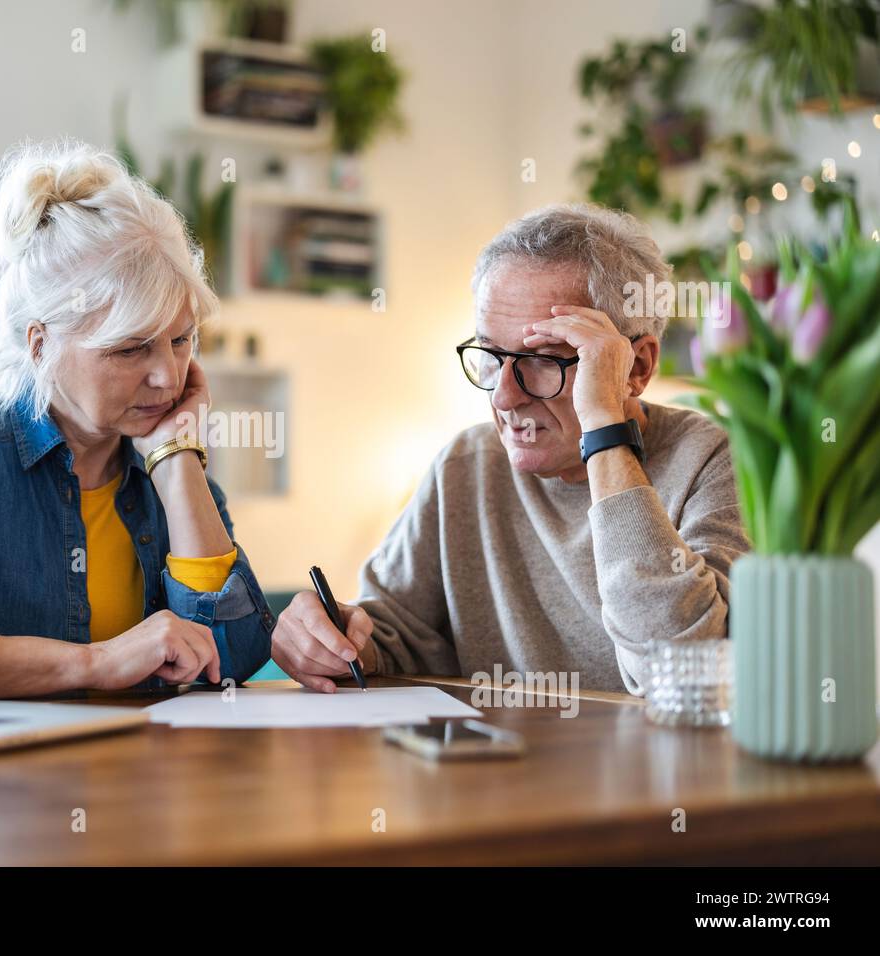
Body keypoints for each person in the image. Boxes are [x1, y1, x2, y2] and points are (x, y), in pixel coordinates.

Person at [271, 203, 751, 695]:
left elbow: (687, 670)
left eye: (544, 359)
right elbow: (393, 635)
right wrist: (332, 643)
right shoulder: (467, 466)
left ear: (636, 366)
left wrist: (604, 432)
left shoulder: (714, 463)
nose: (503, 396)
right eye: (491, 357)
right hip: (499, 768)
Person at [0, 140, 273, 698]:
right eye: (130, 349)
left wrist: (178, 464)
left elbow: (228, 665)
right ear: (40, 345)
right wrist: (96, 663)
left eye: (181, 339)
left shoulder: (170, 472)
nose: (167, 376)